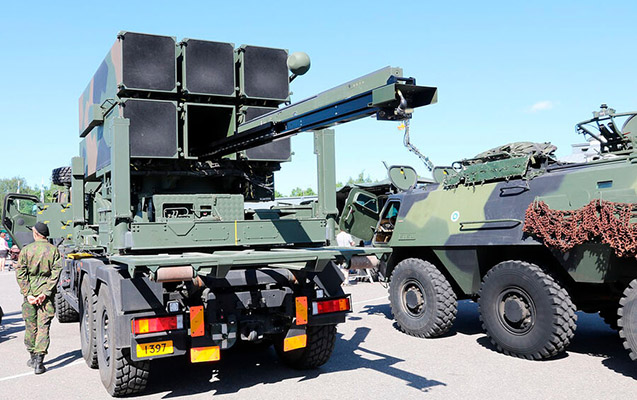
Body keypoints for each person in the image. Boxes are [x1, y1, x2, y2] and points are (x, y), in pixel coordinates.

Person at [15, 222, 61, 374]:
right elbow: (56, 273)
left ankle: (33, 357)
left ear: (36, 234)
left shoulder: (26, 250)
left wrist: (28, 293)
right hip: (46, 296)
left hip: (30, 295)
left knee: (30, 325)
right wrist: (45, 293)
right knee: (43, 326)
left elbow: (20, 273)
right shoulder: (54, 250)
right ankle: (39, 363)